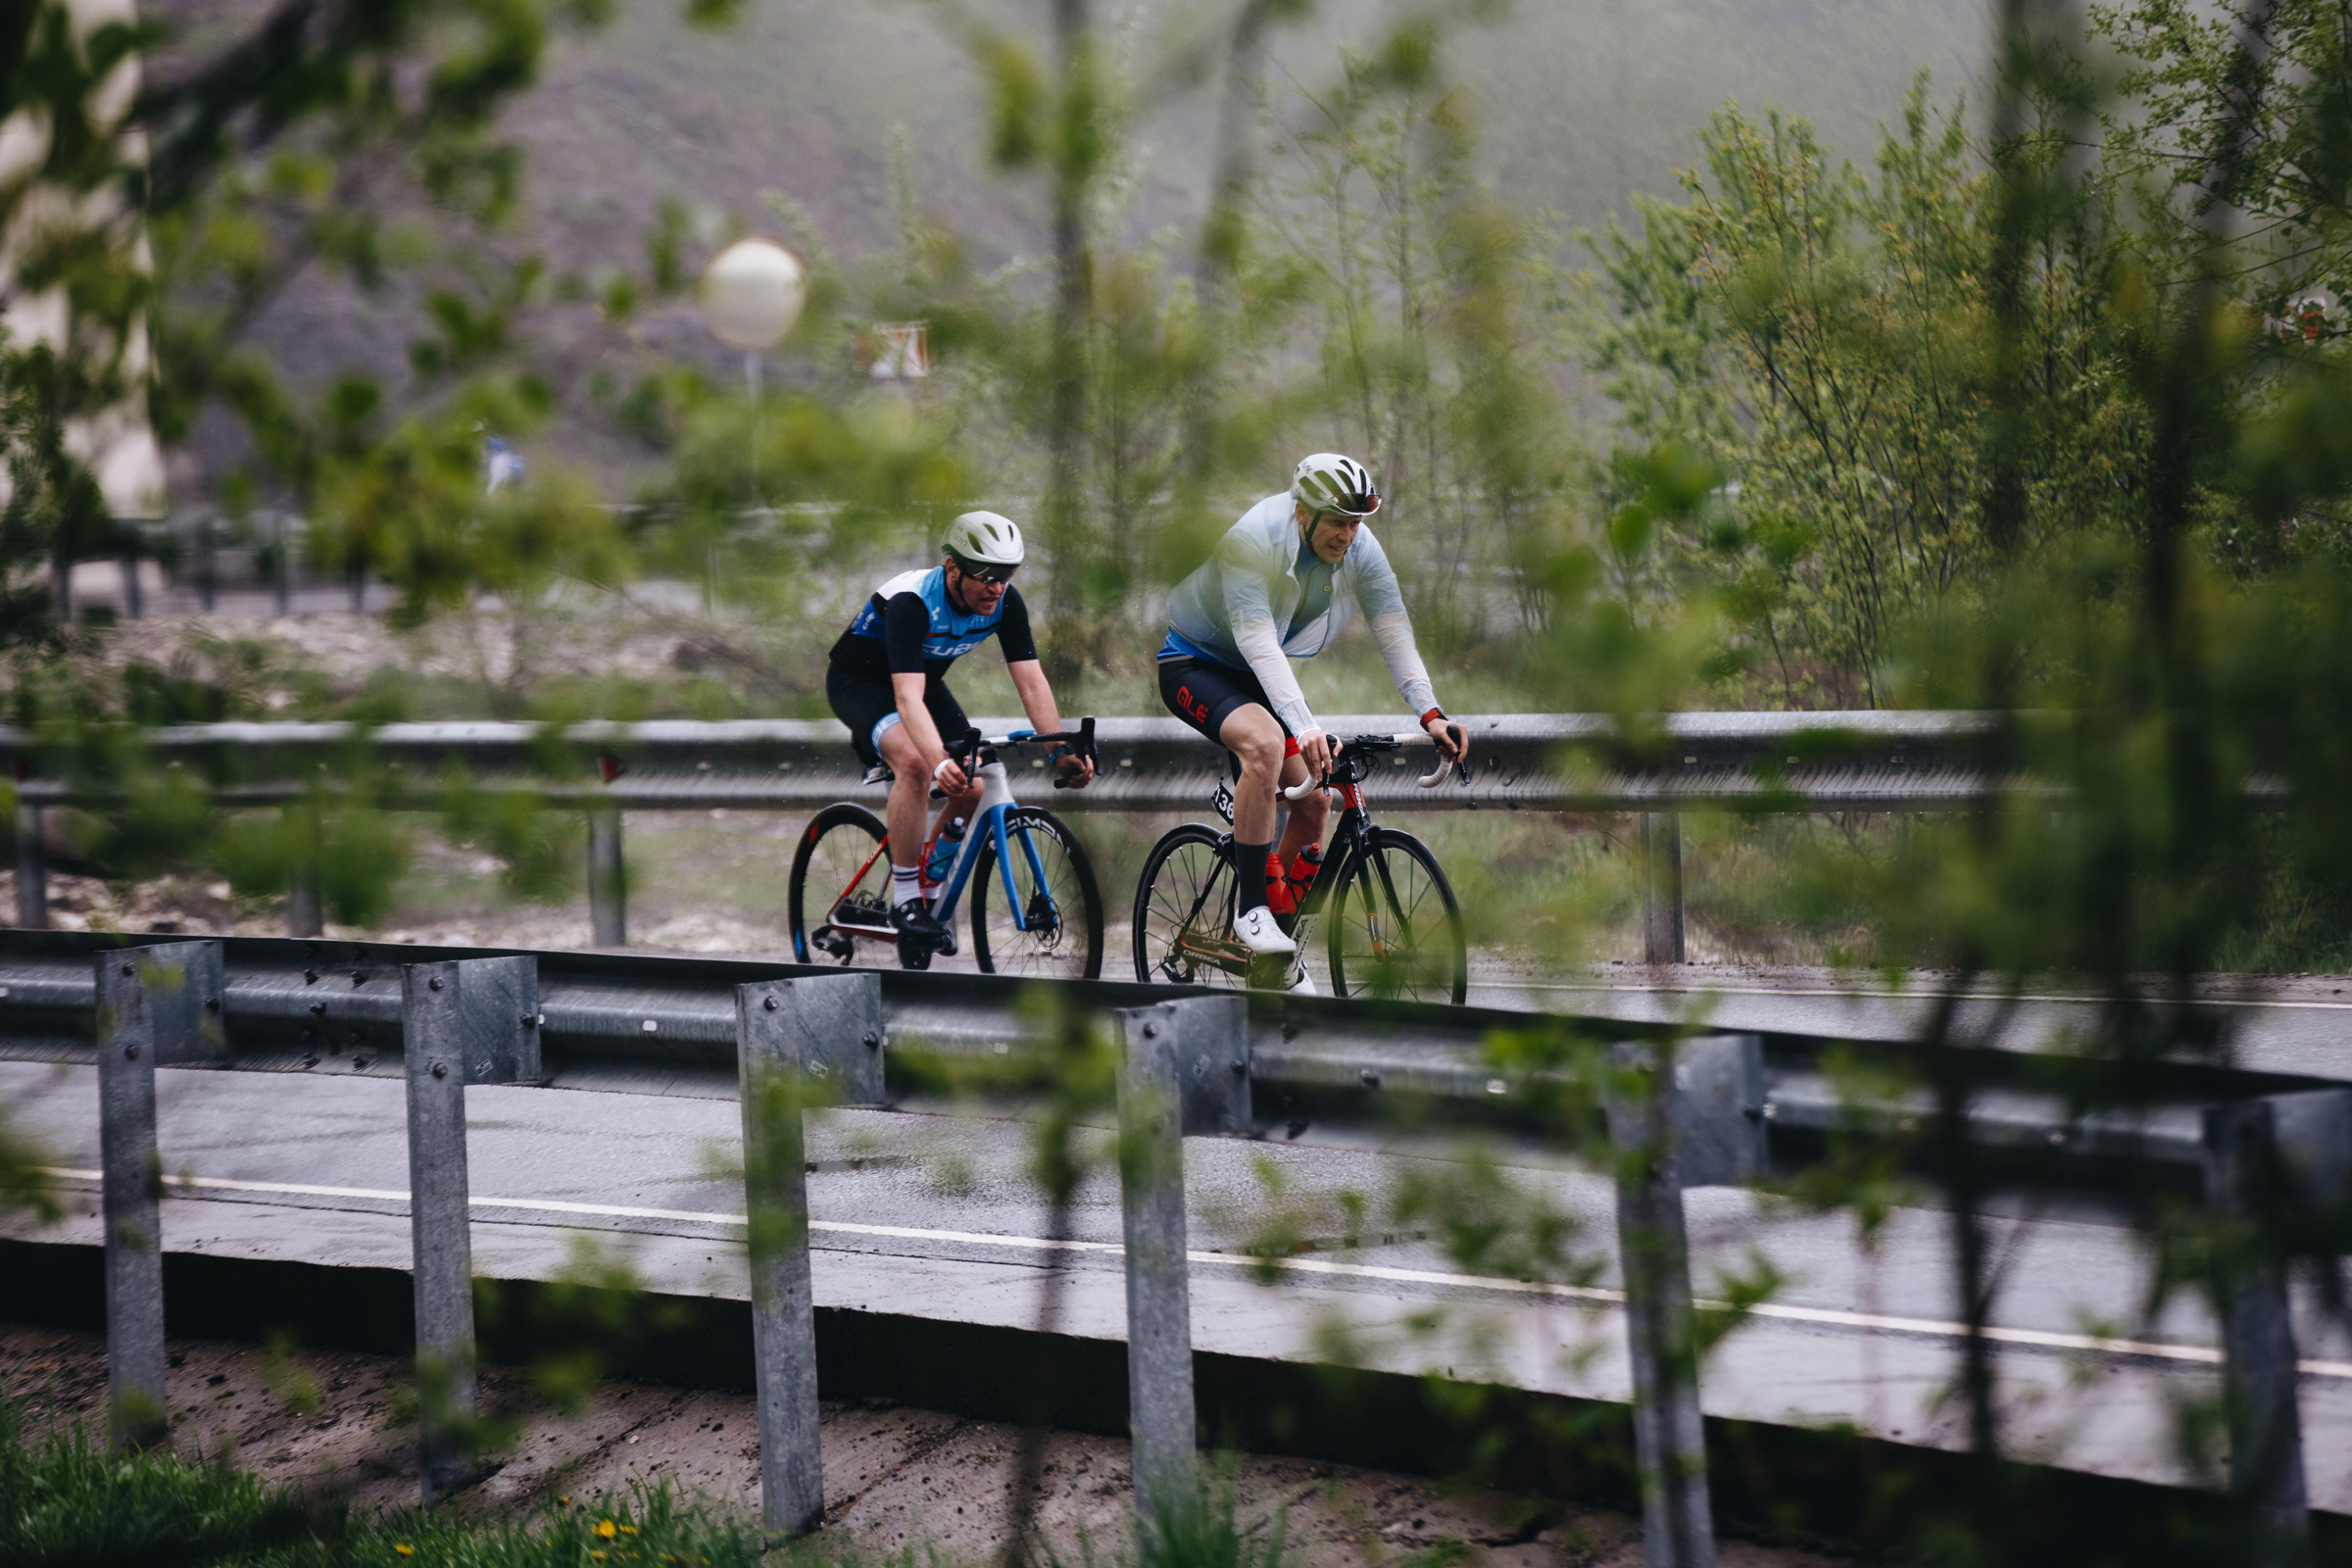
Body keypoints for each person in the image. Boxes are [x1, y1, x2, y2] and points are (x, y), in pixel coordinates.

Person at [1157, 453, 1469, 980]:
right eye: (1338, 523)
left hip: (1262, 673)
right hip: (1196, 663)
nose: (1348, 535)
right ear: (1303, 513)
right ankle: (1251, 911)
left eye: (1356, 523)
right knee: (1264, 745)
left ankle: (1272, 956)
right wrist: (1303, 726)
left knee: (1317, 801)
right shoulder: (1254, 539)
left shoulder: (1360, 549)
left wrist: (1431, 713)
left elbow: (1392, 629)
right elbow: (1256, 639)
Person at [827, 512, 1096, 959]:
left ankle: (930, 892)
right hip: (860, 684)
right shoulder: (913, 602)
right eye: (988, 575)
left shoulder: (1006, 603)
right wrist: (937, 761)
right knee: (915, 764)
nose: (998, 586)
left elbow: (1031, 683)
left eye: (1007, 575)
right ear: (953, 569)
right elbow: (907, 699)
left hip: (921, 681)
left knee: (975, 783)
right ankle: (908, 897)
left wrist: (1058, 750)